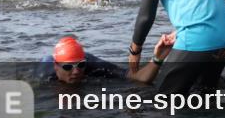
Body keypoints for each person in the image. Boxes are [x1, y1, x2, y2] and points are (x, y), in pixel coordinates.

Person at [43, 34, 175, 85]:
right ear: (56, 66)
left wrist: (159, 57)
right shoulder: (45, 74)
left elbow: (136, 77)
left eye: (80, 65)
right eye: (68, 67)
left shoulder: (93, 65)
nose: (76, 71)